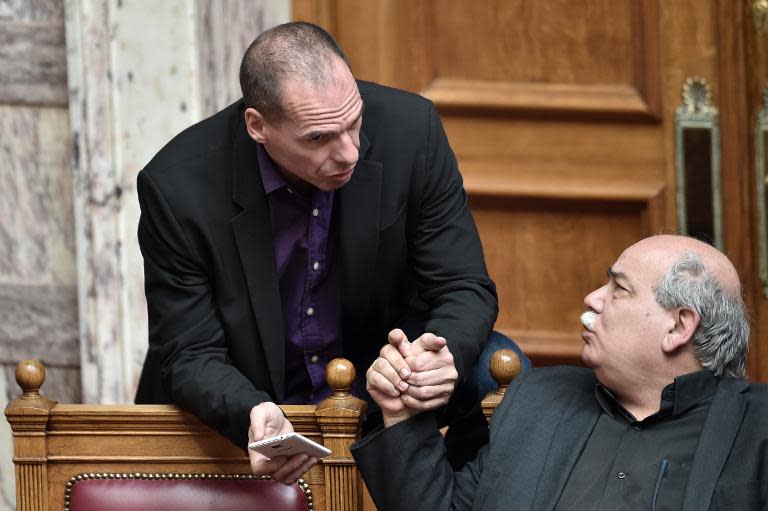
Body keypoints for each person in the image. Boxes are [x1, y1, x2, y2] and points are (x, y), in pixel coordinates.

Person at [133, 21, 503, 484]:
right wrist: (249, 410)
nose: (349, 152)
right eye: (319, 138)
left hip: (381, 386)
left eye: (354, 123)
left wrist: (440, 357)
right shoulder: (178, 187)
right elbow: (188, 350)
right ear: (258, 126)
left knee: (499, 363)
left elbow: (464, 284)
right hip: (252, 399)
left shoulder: (412, 131)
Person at [353, 234, 768, 510]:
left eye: (618, 289)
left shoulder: (756, 431)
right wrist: (401, 413)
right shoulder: (539, 400)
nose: (593, 298)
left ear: (679, 326)